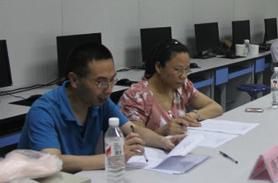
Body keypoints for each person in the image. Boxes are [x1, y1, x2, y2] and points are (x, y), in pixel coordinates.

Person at [18, 43, 182, 173]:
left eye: (112, 80)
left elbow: (132, 129)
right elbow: (53, 161)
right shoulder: (44, 111)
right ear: (74, 80)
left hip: (83, 179)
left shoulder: (100, 103)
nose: (109, 89)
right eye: (101, 82)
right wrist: (113, 157)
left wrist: (164, 142)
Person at [119, 39, 223, 136]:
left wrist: (194, 115)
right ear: (158, 67)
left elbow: (216, 108)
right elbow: (137, 137)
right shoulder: (136, 96)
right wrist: (163, 131)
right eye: (178, 70)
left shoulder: (183, 86)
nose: (184, 76)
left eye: (187, 70)